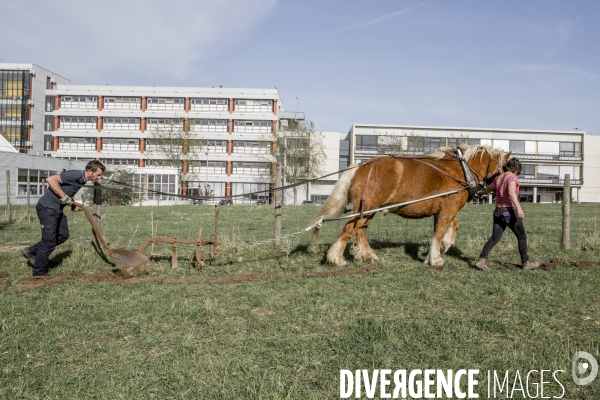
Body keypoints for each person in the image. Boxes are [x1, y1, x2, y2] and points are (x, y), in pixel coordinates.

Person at [22, 160, 106, 276]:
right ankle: (39, 273)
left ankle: (31, 251)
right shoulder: (76, 174)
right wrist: (64, 197)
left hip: (56, 209)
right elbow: (50, 179)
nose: (99, 177)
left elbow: (67, 190)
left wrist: (72, 203)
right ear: (90, 171)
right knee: (49, 242)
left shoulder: (82, 179)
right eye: (98, 174)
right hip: (47, 208)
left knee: (63, 235)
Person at [474, 157, 540, 271]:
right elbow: (511, 193)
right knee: (522, 236)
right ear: (517, 169)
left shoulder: (499, 178)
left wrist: (479, 193)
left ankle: (481, 260)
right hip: (508, 212)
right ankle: (526, 263)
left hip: (499, 212)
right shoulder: (512, 177)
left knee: (495, 237)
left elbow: (488, 189)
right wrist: (519, 209)